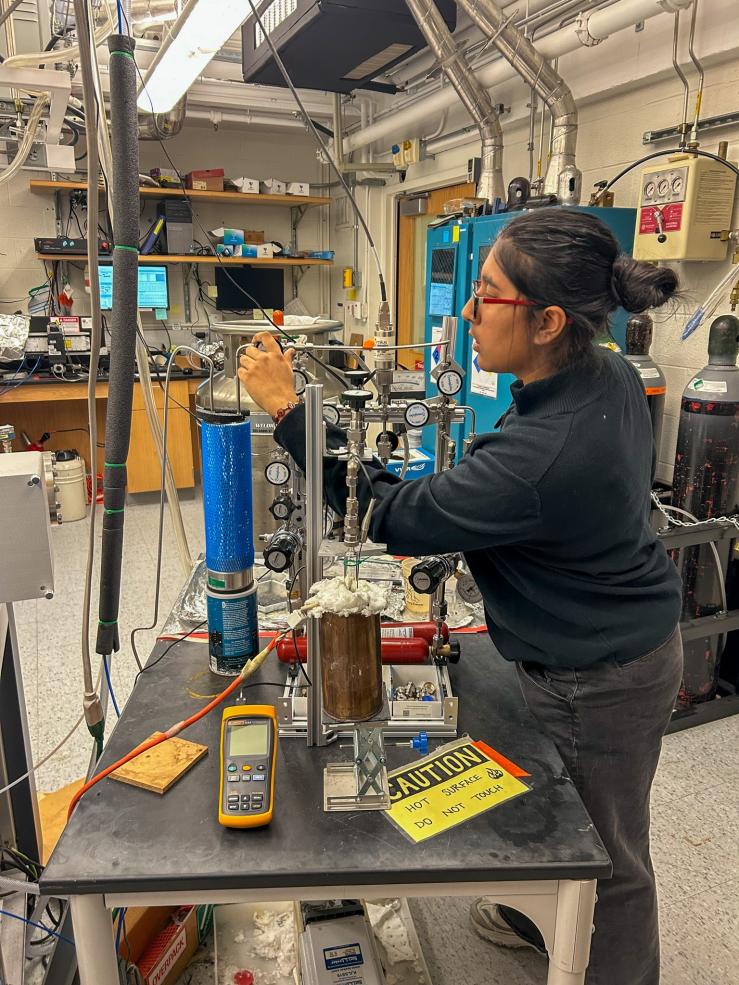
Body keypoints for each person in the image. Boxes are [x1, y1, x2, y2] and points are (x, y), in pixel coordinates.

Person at [238, 209, 683, 985]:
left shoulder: (542, 457)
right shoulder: (599, 369)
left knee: (605, 859)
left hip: (597, 671)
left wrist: (288, 411)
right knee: (572, 819)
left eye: (486, 294)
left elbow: (392, 513)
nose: (468, 311)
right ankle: (530, 914)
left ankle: (608, 960)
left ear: (547, 320)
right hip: (620, 628)